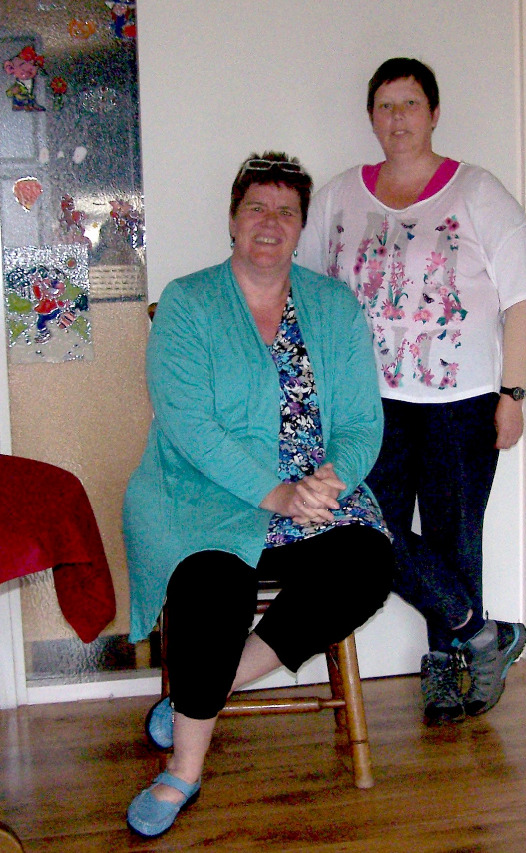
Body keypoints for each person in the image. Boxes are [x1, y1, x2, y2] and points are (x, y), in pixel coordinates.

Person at [122, 152, 393, 837]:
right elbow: (188, 425)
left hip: (314, 492)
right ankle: (184, 769)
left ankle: (202, 691)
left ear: (301, 226)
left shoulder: (333, 306)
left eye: (285, 211)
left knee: (367, 563)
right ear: (233, 219)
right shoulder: (188, 302)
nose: (269, 223)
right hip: (205, 490)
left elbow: (362, 420)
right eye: (256, 208)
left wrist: (330, 480)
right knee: (211, 585)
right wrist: (276, 493)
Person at [297, 58, 526, 724]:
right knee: (368, 532)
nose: (398, 118)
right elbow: (307, 291)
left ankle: (448, 671)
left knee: (454, 537)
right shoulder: (339, 196)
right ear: (370, 117)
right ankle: (484, 635)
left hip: (462, 404)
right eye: (385, 106)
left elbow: (523, 298)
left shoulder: (478, 191)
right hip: (369, 405)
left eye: (410, 104)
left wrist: (513, 394)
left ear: (434, 113)